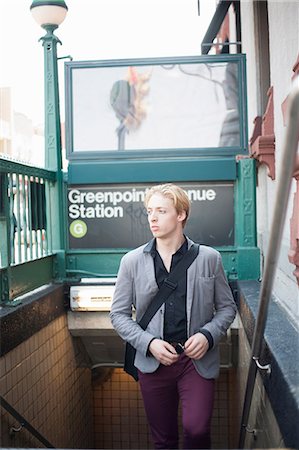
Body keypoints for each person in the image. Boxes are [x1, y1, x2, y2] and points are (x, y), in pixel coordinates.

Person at [110, 183, 237, 449]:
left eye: (161, 211)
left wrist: (208, 335)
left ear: (181, 215)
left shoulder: (209, 258)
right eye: (149, 212)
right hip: (153, 363)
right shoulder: (131, 262)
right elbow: (119, 315)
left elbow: (227, 308)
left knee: (198, 430)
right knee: (163, 439)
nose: (152, 218)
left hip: (195, 361)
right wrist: (149, 343)